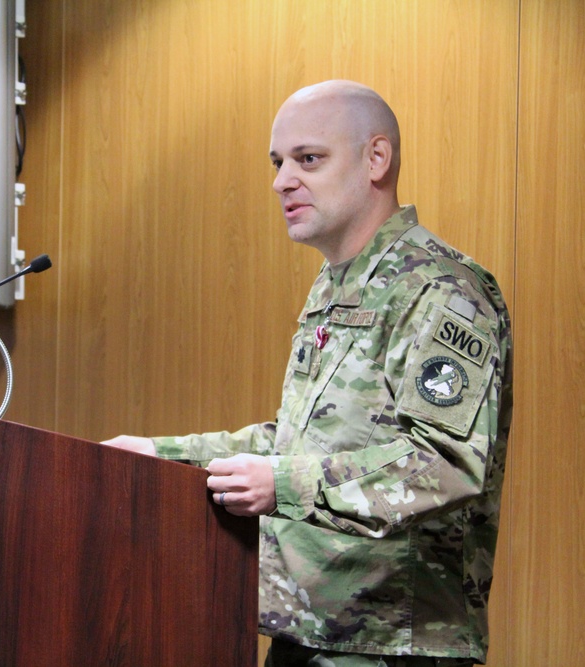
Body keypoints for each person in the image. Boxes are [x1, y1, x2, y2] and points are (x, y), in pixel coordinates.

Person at [102, 80, 513, 667]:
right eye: (277, 162)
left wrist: (282, 485)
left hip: (394, 647)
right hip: (306, 631)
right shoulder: (335, 287)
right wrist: (158, 455)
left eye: (308, 159)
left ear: (377, 159)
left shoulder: (442, 290)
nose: (281, 181)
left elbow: (445, 464)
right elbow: (297, 445)